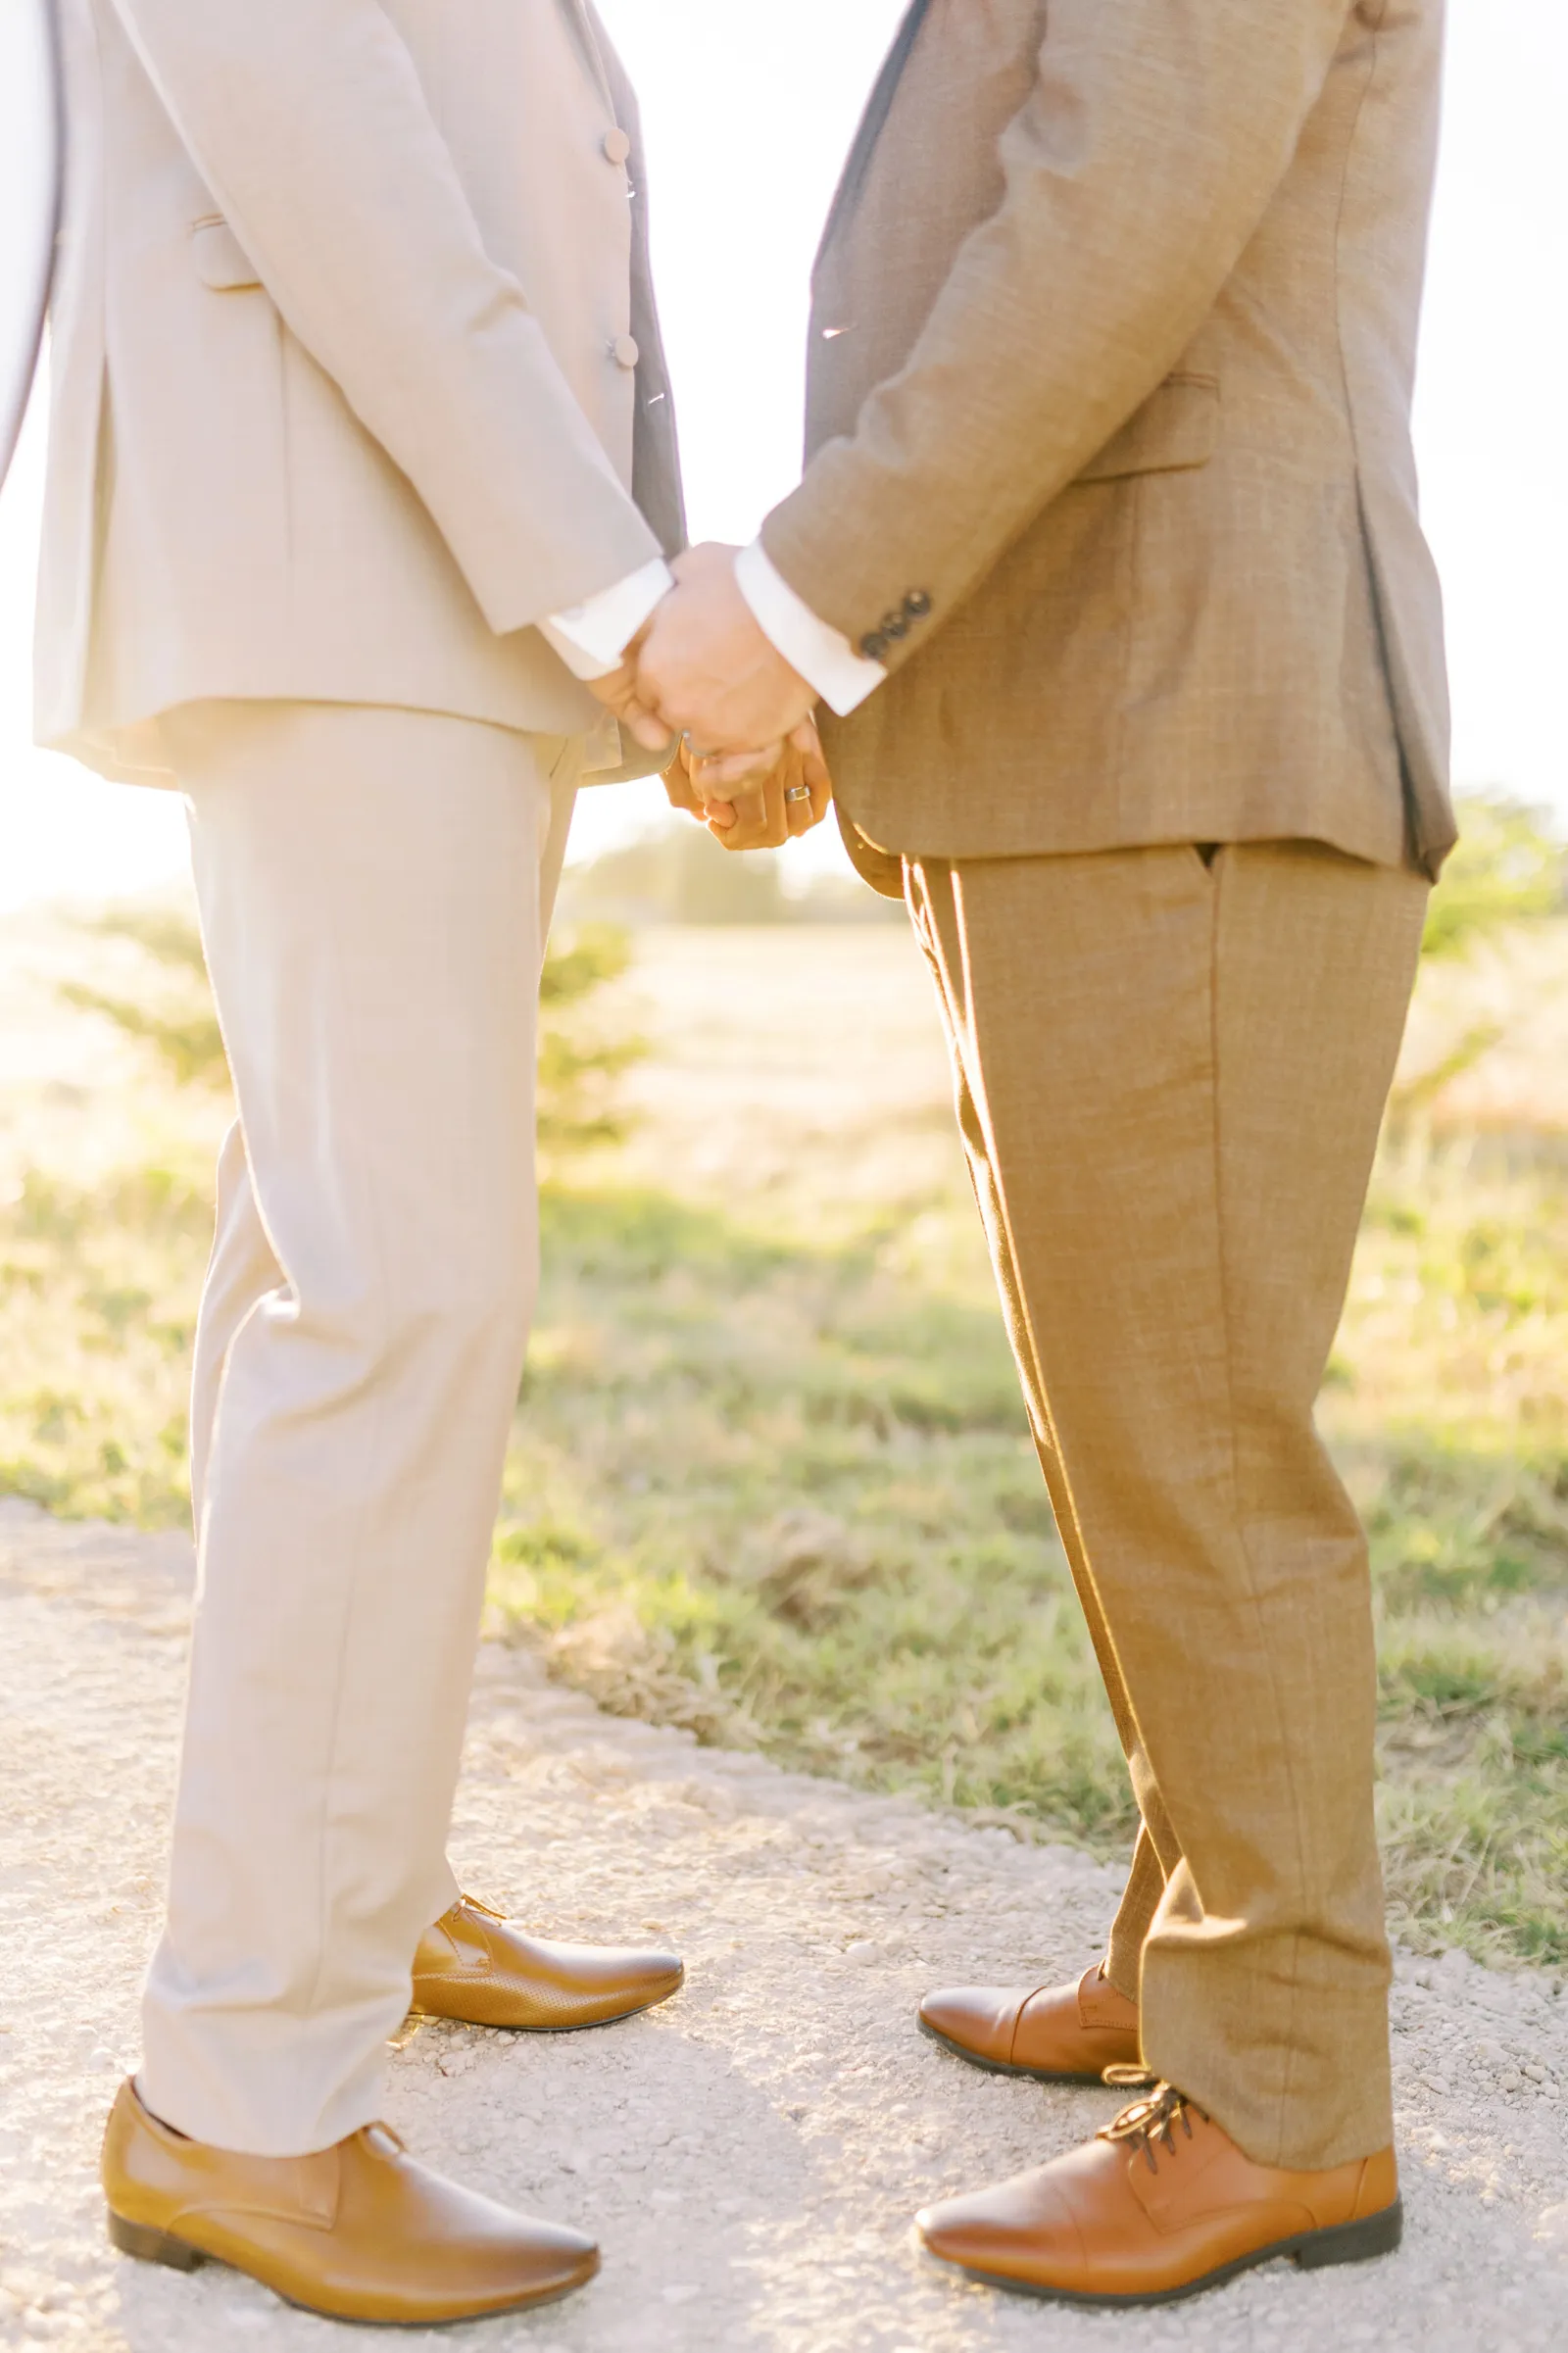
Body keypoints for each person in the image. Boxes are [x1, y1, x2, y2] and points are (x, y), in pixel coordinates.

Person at [616, 0, 1454, 2309]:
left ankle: (1282, 2094)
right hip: (1073, 732)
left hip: (1181, 709)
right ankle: (1192, 1951)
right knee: (1122, 1419)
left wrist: (787, 613)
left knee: (1185, 1429)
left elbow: (1118, 210)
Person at [34, 0, 826, 2326]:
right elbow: (341, 171)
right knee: (398, 1289)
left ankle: (356, 1893)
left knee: (321, 1241)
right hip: (346, 536)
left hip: (386, 557)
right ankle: (242, 2101)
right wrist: (621, 605)